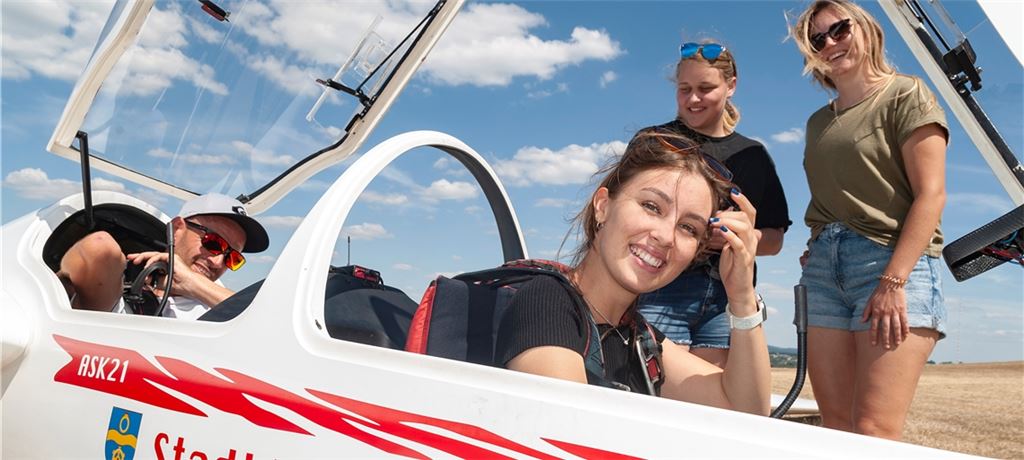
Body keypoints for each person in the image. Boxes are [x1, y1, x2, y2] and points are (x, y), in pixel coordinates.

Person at [494, 130, 771, 415]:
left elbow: (745, 412)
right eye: (651, 206)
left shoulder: (638, 339)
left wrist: (741, 297)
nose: (666, 236)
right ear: (603, 206)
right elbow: (567, 435)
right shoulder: (548, 303)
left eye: (688, 228)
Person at [790, 0, 949, 439]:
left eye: (839, 30)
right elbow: (833, 196)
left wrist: (893, 281)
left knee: (875, 430)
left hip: (890, 264)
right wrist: (819, 243)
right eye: (817, 40)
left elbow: (931, 195)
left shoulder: (906, 93)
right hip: (824, 272)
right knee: (836, 428)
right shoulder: (818, 122)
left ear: (864, 28)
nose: (830, 44)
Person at [637, 40, 791, 368]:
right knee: (656, 397)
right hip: (661, 285)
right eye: (685, 89)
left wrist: (740, 238)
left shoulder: (754, 155)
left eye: (705, 88)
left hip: (728, 298)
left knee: (715, 403)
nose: (693, 99)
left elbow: (774, 239)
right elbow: (627, 214)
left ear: (731, 86)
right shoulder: (653, 142)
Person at [58, 193, 270, 319]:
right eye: (213, 243)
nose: (217, 261)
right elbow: (98, 246)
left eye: (233, 258)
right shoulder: (127, 285)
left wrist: (191, 283)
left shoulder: (219, 302)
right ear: (177, 229)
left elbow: (272, 324)